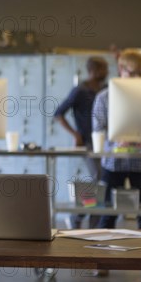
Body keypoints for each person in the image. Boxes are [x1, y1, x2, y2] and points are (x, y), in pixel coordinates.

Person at [91, 49, 141, 278]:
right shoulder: (104, 97)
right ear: (121, 70)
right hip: (113, 163)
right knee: (108, 214)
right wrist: (116, 139)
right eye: (132, 72)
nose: (136, 77)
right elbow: (97, 130)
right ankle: (101, 263)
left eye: (140, 73)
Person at [54, 56, 108, 228]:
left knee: (100, 181)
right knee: (99, 177)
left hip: (104, 142)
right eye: (103, 69)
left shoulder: (106, 89)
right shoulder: (80, 90)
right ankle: (78, 216)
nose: (106, 73)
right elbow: (58, 114)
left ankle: (93, 219)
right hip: (87, 142)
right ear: (92, 70)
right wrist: (75, 134)